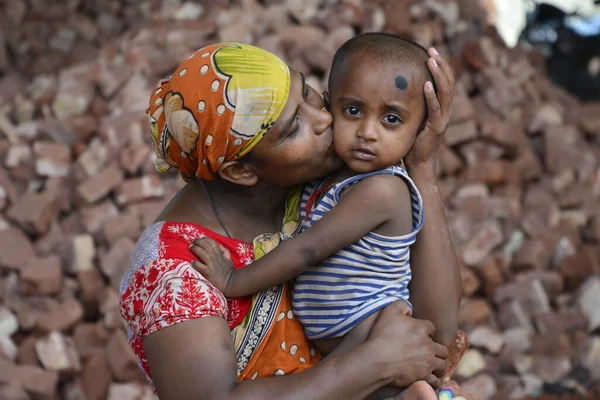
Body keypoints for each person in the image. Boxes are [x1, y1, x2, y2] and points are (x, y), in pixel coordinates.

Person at [119, 41, 462, 400]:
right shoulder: (174, 272)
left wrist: (423, 167)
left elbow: (437, 328)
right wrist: (374, 363)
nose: (325, 119)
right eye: (293, 127)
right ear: (240, 171)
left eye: (308, 95)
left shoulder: (320, 182)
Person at [190, 33, 443, 358]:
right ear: (329, 105)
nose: (367, 132)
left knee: (381, 373)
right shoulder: (330, 176)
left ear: (420, 128)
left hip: (369, 322)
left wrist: (234, 281)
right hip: (337, 336)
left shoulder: (384, 189)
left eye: (391, 119)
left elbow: (309, 250)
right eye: (353, 111)